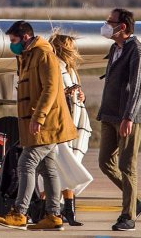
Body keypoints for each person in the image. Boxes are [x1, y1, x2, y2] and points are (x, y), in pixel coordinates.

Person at [0, 21, 76, 231]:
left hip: (47, 123)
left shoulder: (44, 55)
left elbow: (51, 89)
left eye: (14, 41)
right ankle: (53, 215)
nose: (12, 45)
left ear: (26, 38)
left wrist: (39, 117)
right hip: (39, 123)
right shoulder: (27, 56)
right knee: (48, 169)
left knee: (26, 163)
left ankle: (20, 213)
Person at [97, 7, 141, 232]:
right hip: (110, 115)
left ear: (123, 27)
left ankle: (128, 216)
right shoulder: (114, 48)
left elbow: (138, 88)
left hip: (128, 117)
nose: (106, 24)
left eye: (110, 22)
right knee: (105, 163)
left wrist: (128, 117)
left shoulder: (137, 52)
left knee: (127, 166)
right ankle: (137, 200)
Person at [47, 32, 94, 227]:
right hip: (61, 126)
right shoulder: (54, 67)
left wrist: (80, 95)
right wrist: (66, 93)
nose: (74, 51)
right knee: (63, 167)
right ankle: (60, 210)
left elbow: (75, 91)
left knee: (68, 165)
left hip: (75, 123)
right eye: (71, 47)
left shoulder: (71, 70)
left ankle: (68, 209)